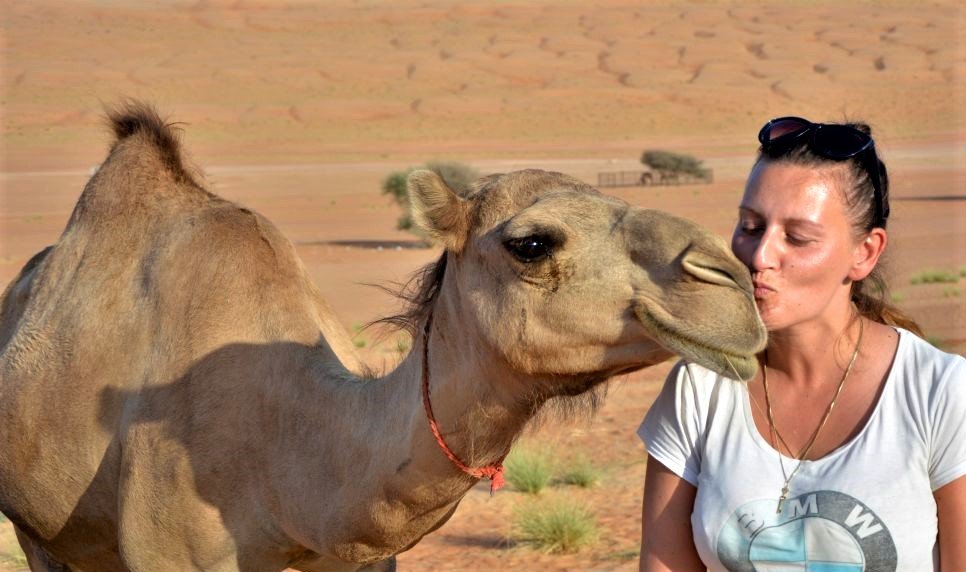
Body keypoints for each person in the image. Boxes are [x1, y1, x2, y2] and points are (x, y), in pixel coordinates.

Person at [637, 116, 966, 571]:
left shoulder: (942, 394)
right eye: (751, 227)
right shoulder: (701, 387)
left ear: (864, 253)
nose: (760, 256)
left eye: (798, 237)